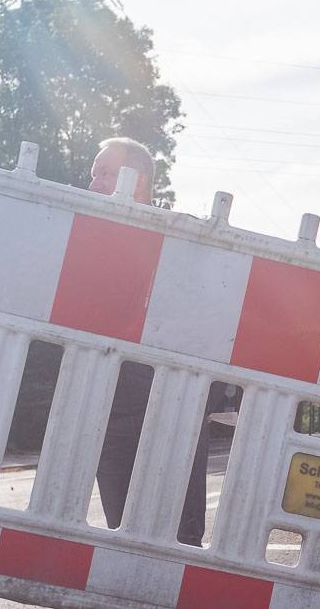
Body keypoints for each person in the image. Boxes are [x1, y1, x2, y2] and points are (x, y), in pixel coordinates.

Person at [86, 137, 223, 543]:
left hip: (174, 415)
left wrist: (202, 404)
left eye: (105, 173)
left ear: (138, 181)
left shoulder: (184, 242)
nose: (93, 183)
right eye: (93, 174)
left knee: (181, 543)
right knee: (123, 541)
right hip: (110, 415)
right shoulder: (85, 241)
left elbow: (211, 327)